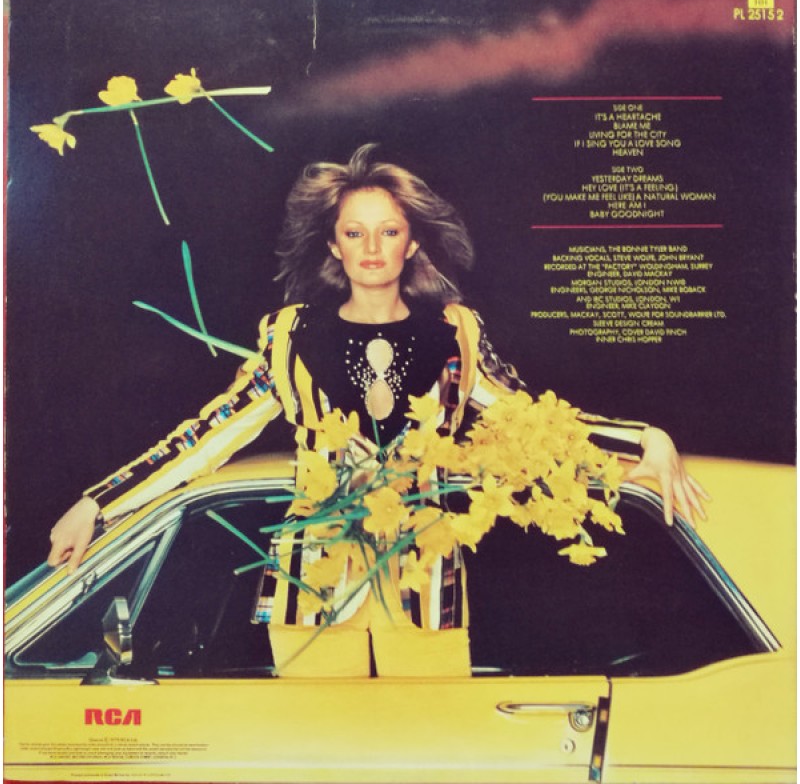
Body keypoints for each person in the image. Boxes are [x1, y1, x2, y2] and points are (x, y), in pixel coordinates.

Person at [47, 144, 708, 677]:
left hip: (427, 578)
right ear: (334, 245)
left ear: (411, 242)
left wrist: (641, 440)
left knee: (426, 755)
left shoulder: (457, 331)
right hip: (311, 584)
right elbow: (206, 437)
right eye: (354, 233)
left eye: (388, 231)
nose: (371, 247)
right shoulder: (289, 336)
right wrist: (98, 503)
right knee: (322, 759)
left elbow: (528, 418)